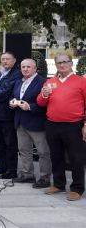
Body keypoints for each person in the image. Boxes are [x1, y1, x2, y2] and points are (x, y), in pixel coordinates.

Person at [37, 53, 86, 201]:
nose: (62, 65)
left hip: (74, 125)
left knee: (76, 158)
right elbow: (40, 103)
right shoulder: (50, 82)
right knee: (56, 156)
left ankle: (77, 188)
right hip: (52, 124)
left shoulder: (81, 82)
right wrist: (44, 95)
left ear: (71, 64)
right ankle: (58, 184)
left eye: (65, 62)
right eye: (59, 63)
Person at [11, 59, 50, 188]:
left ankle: (45, 178)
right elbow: (13, 96)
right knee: (24, 150)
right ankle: (27, 174)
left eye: (28, 67)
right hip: (20, 121)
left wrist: (31, 107)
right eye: (23, 67)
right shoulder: (18, 81)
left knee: (42, 152)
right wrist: (12, 103)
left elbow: (47, 103)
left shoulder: (43, 82)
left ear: (35, 69)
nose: (25, 69)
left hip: (37, 122)